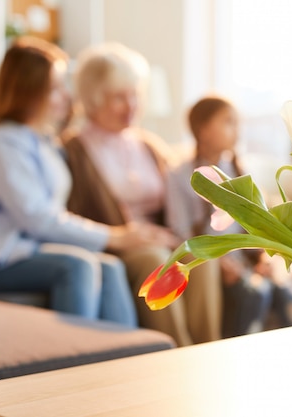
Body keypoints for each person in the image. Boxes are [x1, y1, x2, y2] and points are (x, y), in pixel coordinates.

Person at [0, 37, 139, 327]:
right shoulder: (2, 141)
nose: (66, 97)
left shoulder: (44, 143)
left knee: (110, 267)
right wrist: (115, 236)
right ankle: (73, 364)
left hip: (21, 253)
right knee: (76, 266)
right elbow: (37, 218)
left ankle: (129, 363)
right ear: (29, 91)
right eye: (56, 88)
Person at [64, 43, 221, 346]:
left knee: (201, 256)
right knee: (157, 260)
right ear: (94, 99)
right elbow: (71, 212)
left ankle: (208, 348)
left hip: (164, 237)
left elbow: (182, 191)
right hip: (120, 242)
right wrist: (125, 233)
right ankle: (176, 353)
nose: (132, 105)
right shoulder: (73, 149)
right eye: (119, 97)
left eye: (135, 94)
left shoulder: (147, 143)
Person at [167, 96, 292, 338]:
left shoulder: (239, 172)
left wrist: (264, 256)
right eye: (228, 122)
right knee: (255, 294)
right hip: (215, 260)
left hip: (245, 259)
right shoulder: (179, 175)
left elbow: (258, 223)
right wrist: (216, 261)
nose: (237, 130)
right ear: (203, 130)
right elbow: (180, 231)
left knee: (287, 294)